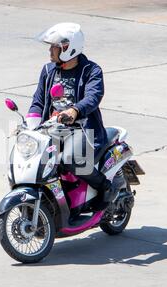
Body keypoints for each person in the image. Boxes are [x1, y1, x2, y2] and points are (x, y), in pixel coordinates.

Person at [29, 22, 112, 208]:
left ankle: (105, 187)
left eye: (54, 47)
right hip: (52, 128)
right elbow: (38, 100)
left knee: (71, 158)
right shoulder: (48, 70)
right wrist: (30, 122)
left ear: (67, 48)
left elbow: (93, 97)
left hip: (82, 129)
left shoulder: (91, 70)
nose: (50, 50)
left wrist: (75, 111)